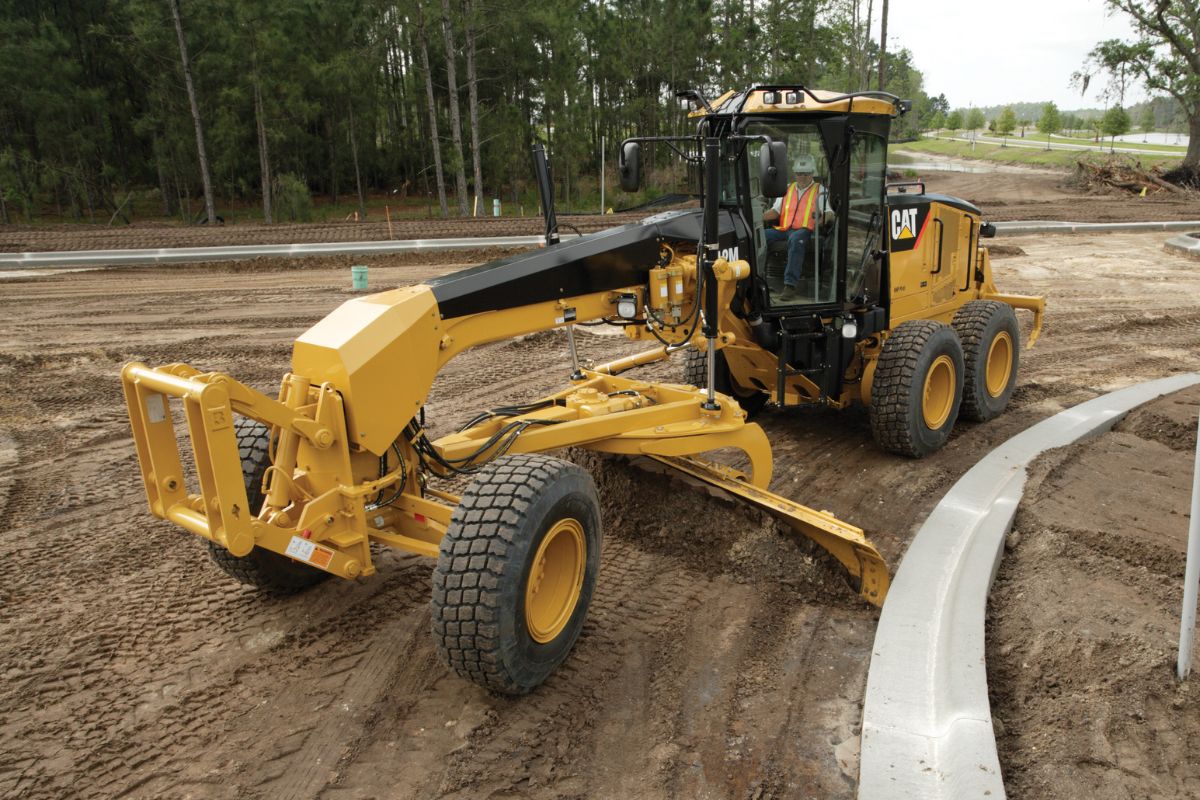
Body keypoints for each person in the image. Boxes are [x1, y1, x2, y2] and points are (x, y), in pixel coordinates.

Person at [763, 153, 828, 304]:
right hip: (784, 229)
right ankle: (757, 276)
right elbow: (775, 212)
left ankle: (790, 286)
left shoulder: (820, 190)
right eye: (799, 174)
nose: (802, 177)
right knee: (760, 235)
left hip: (805, 230)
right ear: (794, 173)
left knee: (796, 239)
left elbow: (829, 213)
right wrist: (755, 218)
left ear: (813, 173)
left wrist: (822, 220)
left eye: (806, 174)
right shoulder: (787, 189)